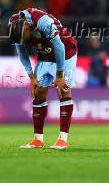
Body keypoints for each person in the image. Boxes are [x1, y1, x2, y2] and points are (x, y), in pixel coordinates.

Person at [9, 8, 77, 149]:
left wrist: (59, 75)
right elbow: (22, 54)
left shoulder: (42, 21)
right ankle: (38, 140)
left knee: (63, 90)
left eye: (24, 38)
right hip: (44, 55)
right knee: (39, 92)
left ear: (27, 27)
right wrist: (31, 78)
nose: (24, 42)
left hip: (66, 52)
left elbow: (59, 46)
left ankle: (62, 139)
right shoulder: (15, 26)